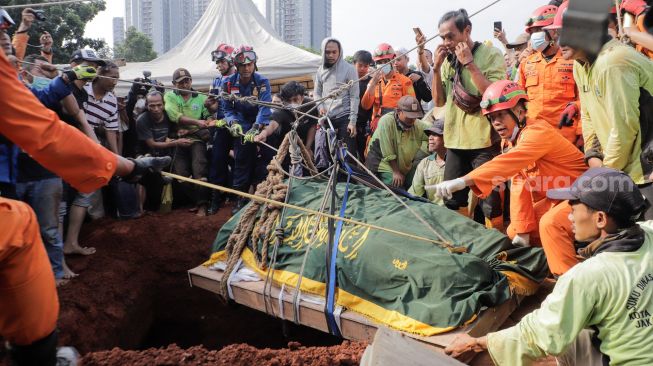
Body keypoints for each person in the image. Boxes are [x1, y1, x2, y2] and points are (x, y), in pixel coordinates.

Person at [0, 50, 170, 366]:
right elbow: (45, 129)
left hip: (32, 171)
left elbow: (36, 103)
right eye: (3, 40)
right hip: (38, 170)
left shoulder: (21, 78)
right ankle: (36, 356)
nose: (10, 51)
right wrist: (126, 168)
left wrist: (66, 77)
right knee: (21, 225)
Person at [445, 167, 653, 366]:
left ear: (600, 218)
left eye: (573, 209)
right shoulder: (648, 234)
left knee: (567, 335)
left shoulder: (587, 276)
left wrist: (480, 342)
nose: (569, 217)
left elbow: (540, 333)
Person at [434, 80, 587, 275]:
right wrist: (522, 230)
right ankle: (550, 263)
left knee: (550, 224)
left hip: (585, 195)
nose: (496, 122)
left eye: (501, 115)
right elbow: (518, 182)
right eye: (491, 118)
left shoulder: (536, 133)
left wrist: (463, 180)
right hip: (560, 197)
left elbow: (505, 164)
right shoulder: (512, 140)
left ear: (520, 112)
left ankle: (568, 280)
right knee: (515, 231)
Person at [554, 2, 653, 219]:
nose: (559, 42)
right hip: (622, 169)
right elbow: (588, 116)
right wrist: (593, 156)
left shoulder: (613, 61)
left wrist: (603, 174)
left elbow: (624, 127)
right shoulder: (580, 64)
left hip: (645, 172)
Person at [431, 8, 506, 229]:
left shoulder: (491, 54)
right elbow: (438, 101)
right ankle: (462, 242)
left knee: (491, 202)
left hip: (484, 142)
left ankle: (498, 248)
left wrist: (470, 64)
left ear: (467, 30)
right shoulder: (447, 61)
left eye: (450, 36)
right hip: (454, 141)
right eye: (442, 37)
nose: (446, 42)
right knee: (453, 198)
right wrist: (435, 69)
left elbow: (494, 95)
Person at [518, 4, 582, 146]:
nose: (535, 35)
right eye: (533, 31)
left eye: (539, 30)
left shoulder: (574, 61)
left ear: (554, 32)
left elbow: (584, 100)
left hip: (566, 137)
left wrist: (581, 133)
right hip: (535, 136)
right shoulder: (526, 64)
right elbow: (518, 102)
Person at [221, 45, 273, 212]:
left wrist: (257, 127)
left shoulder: (262, 82)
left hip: (261, 122)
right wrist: (232, 122)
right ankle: (240, 198)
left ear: (254, 64)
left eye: (249, 64)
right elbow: (227, 108)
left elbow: (265, 107)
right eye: (242, 65)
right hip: (241, 123)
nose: (246, 68)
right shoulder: (227, 82)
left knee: (265, 158)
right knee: (242, 159)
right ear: (236, 66)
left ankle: (262, 196)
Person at [163, 68, 211, 216]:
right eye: (181, 82)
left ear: (191, 81)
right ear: (174, 84)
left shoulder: (202, 98)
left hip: (197, 139)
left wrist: (191, 129)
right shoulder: (169, 96)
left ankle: (203, 205)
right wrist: (197, 122)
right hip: (177, 140)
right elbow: (174, 116)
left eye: (187, 81)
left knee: (199, 170)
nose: (185, 84)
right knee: (181, 175)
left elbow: (208, 120)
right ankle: (198, 201)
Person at [136, 91, 192, 212]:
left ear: (164, 104)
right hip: (147, 153)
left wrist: (177, 134)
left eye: (159, 105)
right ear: (147, 105)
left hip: (166, 152)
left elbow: (174, 130)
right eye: (152, 105)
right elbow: (151, 144)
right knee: (144, 176)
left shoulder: (168, 115)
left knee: (175, 175)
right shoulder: (142, 119)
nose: (156, 109)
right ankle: (140, 209)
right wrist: (175, 142)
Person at [365, 95, 429, 189]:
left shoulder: (417, 125)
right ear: (399, 112)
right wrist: (396, 172)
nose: (412, 120)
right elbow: (387, 151)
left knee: (417, 183)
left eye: (415, 117)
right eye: (409, 117)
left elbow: (432, 131)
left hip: (403, 165)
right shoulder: (386, 121)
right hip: (382, 163)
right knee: (395, 184)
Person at [314, 38, 359, 157]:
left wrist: (352, 121)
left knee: (347, 157)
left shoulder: (349, 69)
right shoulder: (320, 70)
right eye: (328, 52)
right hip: (327, 117)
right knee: (327, 155)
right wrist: (320, 107)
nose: (331, 55)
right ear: (323, 52)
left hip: (345, 117)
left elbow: (354, 96)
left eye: (334, 52)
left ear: (340, 52)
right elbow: (317, 93)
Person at [205, 43, 236, 214]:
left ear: (230, 60)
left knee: (241, 160)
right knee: (217, 161)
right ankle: (215, 199)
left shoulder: (240, 77)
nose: (218, 66)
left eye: (221, 62)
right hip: (222, 126)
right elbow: (214, 108)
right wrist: (209, 105)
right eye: (217, 63)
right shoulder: (216, 81)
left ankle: (239, 199)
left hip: (239, 125)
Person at [361, 43, 415, 134]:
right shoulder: (373, 82)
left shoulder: (405, 81)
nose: (382, 64)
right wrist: (373, 84)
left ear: (392, 61)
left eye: (385, 61)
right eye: (379, 62)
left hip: (398, 129)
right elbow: (365, 106)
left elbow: (413, 107)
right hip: (378, 129)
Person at [408, 119, 446, 205]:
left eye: (435, 135)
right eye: (429, 134)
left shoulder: (459, 162)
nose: (430, 138)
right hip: (433, 213)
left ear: (447, 137)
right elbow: (414, 194)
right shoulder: (425, 163)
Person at [85, 62, 121, 154]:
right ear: (100, 75)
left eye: (117, 79)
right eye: (112, 78)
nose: (115, 83)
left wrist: (116, 157)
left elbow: (111, 131)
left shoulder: (112, 101)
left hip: (91, 146)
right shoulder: (83, 88)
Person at [352, 50, 374, 160]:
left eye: (365, 66)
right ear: (353, 64)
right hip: (350, 124)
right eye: (359, 65)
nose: (362, 69)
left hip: (366, 125)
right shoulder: (348, 82)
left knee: (364, 155)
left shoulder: (373, 82)